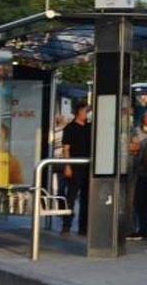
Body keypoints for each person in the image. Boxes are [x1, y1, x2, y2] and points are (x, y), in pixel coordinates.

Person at [127, 110, 147, 240]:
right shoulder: (135, 131)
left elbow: (135, 147)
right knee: (139, 201)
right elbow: (132, 147)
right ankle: (141, 227)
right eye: (146, 118)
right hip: (139, 171)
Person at [60, 101, 91, 236]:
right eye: (86, 110)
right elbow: (66, 148)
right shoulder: (70, 128)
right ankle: (66, 225)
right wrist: (68, 166)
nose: (87, 113)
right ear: (79, 111)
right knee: (71, 197)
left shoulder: (90, 127)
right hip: (75, 166)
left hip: (88, 167)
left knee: (86, 198)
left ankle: (83, 227)